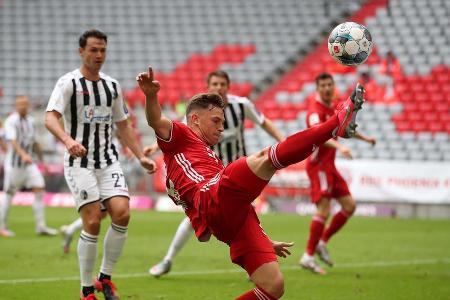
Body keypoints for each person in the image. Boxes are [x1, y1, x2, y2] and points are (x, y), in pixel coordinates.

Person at [137, 66, 365, 299]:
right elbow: (156, 120)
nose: (221, 127)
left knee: (273, 287)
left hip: (228, 218)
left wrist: (263, 241)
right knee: (266, 158)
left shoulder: (206, 156)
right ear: (194, 119)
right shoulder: (181, 136)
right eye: (216, 121)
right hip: (212, 194)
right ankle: (338, 121)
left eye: (222, 122)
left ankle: (337, 123)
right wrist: (151, 95)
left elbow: (214, 216)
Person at [45, 29, 156, 300]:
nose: (98, 55)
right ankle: (86, 290)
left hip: (108, 162)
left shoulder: (112, 86)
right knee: (93, 221)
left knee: (122, 214)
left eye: (102, 50)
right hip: (79, 163)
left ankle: (104, 278)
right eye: (93, 49)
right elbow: (50, 118)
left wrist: (140, 155)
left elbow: (123, 125)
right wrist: (68, 140)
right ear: (81, 51)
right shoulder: (68, 83)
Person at [149, 70, 284, 277]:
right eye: (215, 84)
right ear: (208, 86)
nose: (219, 88)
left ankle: (257, 255)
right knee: (205, 217)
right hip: (207, 176)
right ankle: (168, 259)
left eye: (223, 84)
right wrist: (154, 145)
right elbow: (174, 131)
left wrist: (282, 141)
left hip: (236, 168)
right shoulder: (201, 115)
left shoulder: (241, 106)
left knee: (242, 214)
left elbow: (264, 122)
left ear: (228, 86)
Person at [299, 73, 376, 275]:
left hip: (329, 166)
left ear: (333, 86)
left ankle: (322, 242)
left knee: (350, 206)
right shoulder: (314, 112)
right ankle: (307, 257)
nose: (326, 88)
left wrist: (365, 138)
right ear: (317, 88)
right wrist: (339, 148)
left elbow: (345, 128)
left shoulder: (333, 106)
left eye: (329, 84)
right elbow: (318, 134)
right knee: (323, 210)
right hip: (318, 166)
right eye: (322, 85)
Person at [0, 95, 58, 237]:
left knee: (39, 189)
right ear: (16, 106)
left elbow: (35, 142)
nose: (22, 106)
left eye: (25, 104)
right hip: (14, 165)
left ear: (28, 105)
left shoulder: (31, 121)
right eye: (20, 104)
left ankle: (40, 226)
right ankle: (2, 227)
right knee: (9, 194)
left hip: (29, 165)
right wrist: (23, 155)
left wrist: (42, 162)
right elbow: (12, 141)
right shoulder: (11, 121)